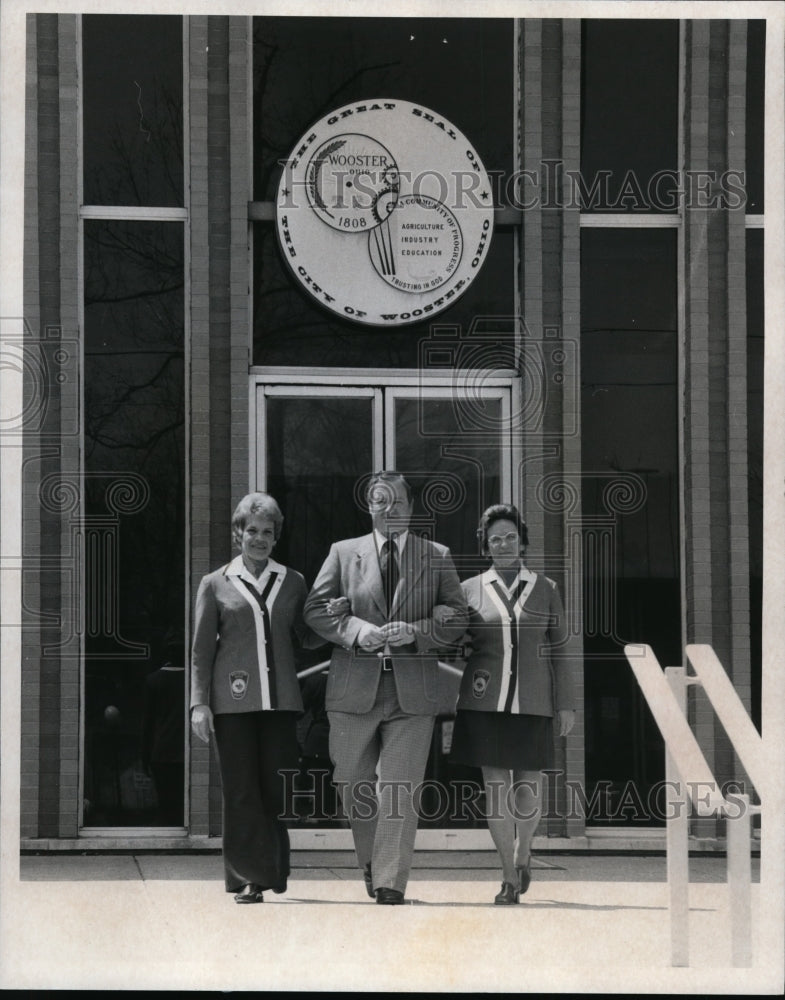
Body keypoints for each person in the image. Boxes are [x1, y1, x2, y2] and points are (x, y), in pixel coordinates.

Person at [303, 471, 468, 904]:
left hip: (412, 694)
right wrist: (356, 630)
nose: (389, 509)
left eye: (397, 501)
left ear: (411, 507)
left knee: (399, 787)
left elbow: (458, 616)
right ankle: (373, 863)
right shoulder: (343, 553)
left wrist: (416, 631)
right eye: (380, 502)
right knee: (354, 784)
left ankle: (391, 882)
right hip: (352, 690)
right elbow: (315, 610)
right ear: (369, 507)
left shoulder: (436, 555)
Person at [449, 503, 576, 905]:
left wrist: (566, 703)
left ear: (522, 541)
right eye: (494, 539)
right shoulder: (469, 589)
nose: (503, 544)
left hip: (534, 700)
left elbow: (561, 651)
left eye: (509, 537)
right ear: (485, 547)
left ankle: (525, 850)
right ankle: (507, 874)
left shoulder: (546, 588)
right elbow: (452, 642)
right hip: (484, 700)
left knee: (528, 786)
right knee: (495, 786)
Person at [190, 492, 310, 904]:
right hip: (232, 702)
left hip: (281, 702)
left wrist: (335, 611)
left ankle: (272, 869)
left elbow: (307, 636)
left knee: (275, 787)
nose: (259, 538)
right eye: (252, 531)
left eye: (267, 532)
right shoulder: (215, 583)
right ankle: (247, 877)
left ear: (276, 537)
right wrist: (199, 702)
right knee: (241, 789)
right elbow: (201, 650)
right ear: (239, 533)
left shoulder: (293, 581)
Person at [141, 634, 185, 826]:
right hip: (185, 750)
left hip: (161, 749)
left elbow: (148, 721)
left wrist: (144, 755)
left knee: (166, 802)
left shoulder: (153, 680)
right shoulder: (192, 681)